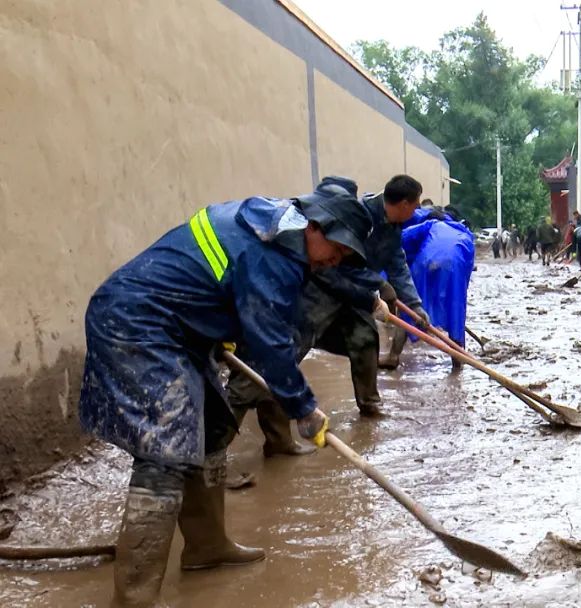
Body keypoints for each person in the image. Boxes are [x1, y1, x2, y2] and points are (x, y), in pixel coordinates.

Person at [78, 181, 378, 606]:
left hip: (179, 327)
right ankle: (135, 598)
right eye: (338, 249)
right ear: (316, 224)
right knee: (165, 453)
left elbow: (221, 282)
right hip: (137, 323)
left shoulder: (276, 226)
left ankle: (206, 547)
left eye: (346, 256)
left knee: (214, 425)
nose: (335, 260)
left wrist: (213, 322)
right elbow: (272, 344)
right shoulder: (273, 254)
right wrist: (304, 408)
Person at [230, 176, 428, 428]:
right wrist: (377, 287)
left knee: (365, 338)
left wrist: (414, 303)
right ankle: (257, 436)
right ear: (403, 203)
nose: (417, 210)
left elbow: (397, 264)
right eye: (415, 204)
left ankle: (369, 404)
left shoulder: (393, 228)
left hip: (354, 295)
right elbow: (337, 268)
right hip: (319, 294)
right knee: (282, 359)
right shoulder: (359, 218)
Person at [382, 210, 476, 369]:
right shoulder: (467, 236)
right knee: (456, 313)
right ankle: (457, 363)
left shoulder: (431, 224)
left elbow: (399, 239)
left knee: (410, 308)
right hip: (455, 267)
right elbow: (466, 273)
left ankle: (393, 357)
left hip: (425, 263)